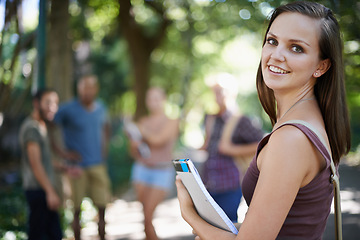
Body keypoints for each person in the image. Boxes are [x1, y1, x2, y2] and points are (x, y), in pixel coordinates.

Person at [175, 1, 351, 239]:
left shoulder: (291, 139)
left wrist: (191, 215)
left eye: (296, 48)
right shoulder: (309, 122)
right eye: (272, 41)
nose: (276, 55)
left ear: (321, 66)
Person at [54, 75, 111, 240]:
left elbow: (106, 127)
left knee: (102, 209)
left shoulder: (101, 108)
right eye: (83, 87)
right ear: (78, 89)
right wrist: (62, 153)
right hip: (76, 166)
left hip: (97, 165)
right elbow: (50, 126)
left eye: (90, 87)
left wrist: (104, 150)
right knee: (76, 211)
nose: (87, 91)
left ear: (96, 89)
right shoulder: (67, 109)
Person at [200, 83, 263, 223]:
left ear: (232, 93)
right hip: (208, 182)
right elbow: (208, 146)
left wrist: (231, 149)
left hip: (230, 183)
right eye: (215, 92)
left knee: (228, 225)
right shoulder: (211, 118)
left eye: (220, 92)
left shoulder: (242, 121)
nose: (217, 96)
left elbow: (263, 144)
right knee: (208, 226)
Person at [127, 87, 179, 240]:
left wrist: (141, 130)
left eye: (157, 98)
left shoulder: (172, 121)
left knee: (148, 216)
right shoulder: (143, 121)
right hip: (142, 169)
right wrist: (133, 145)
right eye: (150, 99)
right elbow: (133, 152)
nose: (153, 102)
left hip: (162, 172)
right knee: (145, 217)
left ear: (164, 100)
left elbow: (158, 140)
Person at [19, 89, 63, 240]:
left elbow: (45, 161)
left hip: (43, 190)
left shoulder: (41, 126)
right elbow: (35, 163)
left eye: (55, 103)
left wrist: (65, 168)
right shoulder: (32, 128)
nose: (53, 107)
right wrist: (50, 191)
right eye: (48, 103)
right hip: (38, 191)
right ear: (36, 103)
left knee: (54, 234)